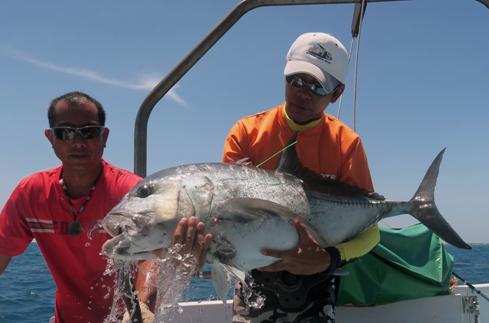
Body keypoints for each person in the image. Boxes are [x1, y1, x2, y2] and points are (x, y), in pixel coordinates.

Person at [0, 91, 211, 323]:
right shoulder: (31, 193)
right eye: (66, 132)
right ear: (51, 138)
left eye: (89, 132)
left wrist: (141, 306)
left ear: (104, 136)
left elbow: (151, 255)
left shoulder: (132, 193)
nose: (78, 142)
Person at [222, 32, 380, 323]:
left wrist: (327, 259)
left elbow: (371, 231)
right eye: (296, 80)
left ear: (337, 93)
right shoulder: (246, 133)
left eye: (318, 86)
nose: (303, 93)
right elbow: (225, 217)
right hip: (253, 279)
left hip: (316, 285)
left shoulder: (348, 144)